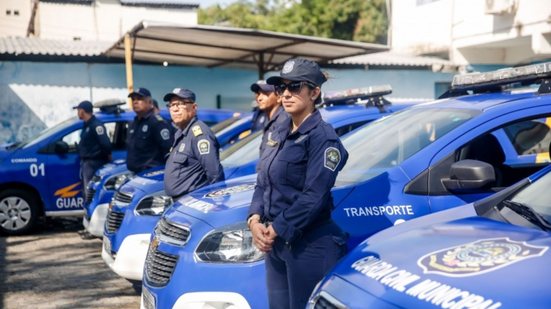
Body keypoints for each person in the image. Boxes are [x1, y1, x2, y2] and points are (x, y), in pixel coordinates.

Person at [247, 58, 349, 309]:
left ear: (314, 92)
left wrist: (278, 227)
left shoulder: (323, 139)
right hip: (276, 242)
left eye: (296, 87)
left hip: (309, 245)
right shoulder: (278, 131)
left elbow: (314, 196)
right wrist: (254, 219)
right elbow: (263, 180)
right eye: (282, 88)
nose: (286, 94)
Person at [163, 88, 225, 199]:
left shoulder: (200, 134)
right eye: (171, 105)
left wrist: (218, 201)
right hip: (180, 202)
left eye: (180, 104)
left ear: (194, 108)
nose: (174, 109)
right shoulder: (181, 132)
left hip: (193, 200)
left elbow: (214, 172)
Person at [126, 87, 173, 173]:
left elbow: (168, 150)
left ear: (150, 102)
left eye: (140, 99)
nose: (135, 102)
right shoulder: (133, 123)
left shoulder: (157, 122)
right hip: (135, 174)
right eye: (133, 99)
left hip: (151, 174)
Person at [73, 100, 112, 200]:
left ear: (82, 111)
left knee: (91, 192)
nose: (77, 113)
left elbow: (106, 144)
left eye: (78, 110)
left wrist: (105, 158)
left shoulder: (96, 125)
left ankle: (91, 214)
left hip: (94, 163)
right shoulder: (87, 125)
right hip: (87, 163)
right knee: (87, 191)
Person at [249, 80, 288, 157]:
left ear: (279, 97)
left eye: (265, 94)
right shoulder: (269, 119)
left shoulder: (284, 121)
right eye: (259, 94)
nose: (259, 98)